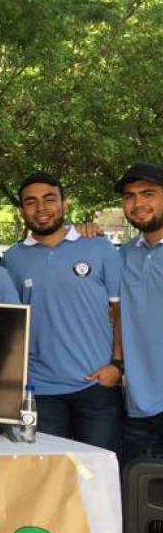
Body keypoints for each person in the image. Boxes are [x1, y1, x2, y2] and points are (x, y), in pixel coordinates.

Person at [2, 171, 123, 451]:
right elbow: (13, 323)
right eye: (31, 202)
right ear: (21, 210)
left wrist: (117, 365)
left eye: (49, 199)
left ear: (65, 203)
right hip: (40, 389)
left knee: (98, 475)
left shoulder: (99, 247)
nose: (41, 208)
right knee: (50, 477)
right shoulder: (12, 258)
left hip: (96, 385)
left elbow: (119, 311)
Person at [114, 163, 163, 465]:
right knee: (141, 501)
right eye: (130, 196)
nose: (138, 203)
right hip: (137, 404)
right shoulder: (121, 255)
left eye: (149, 194)